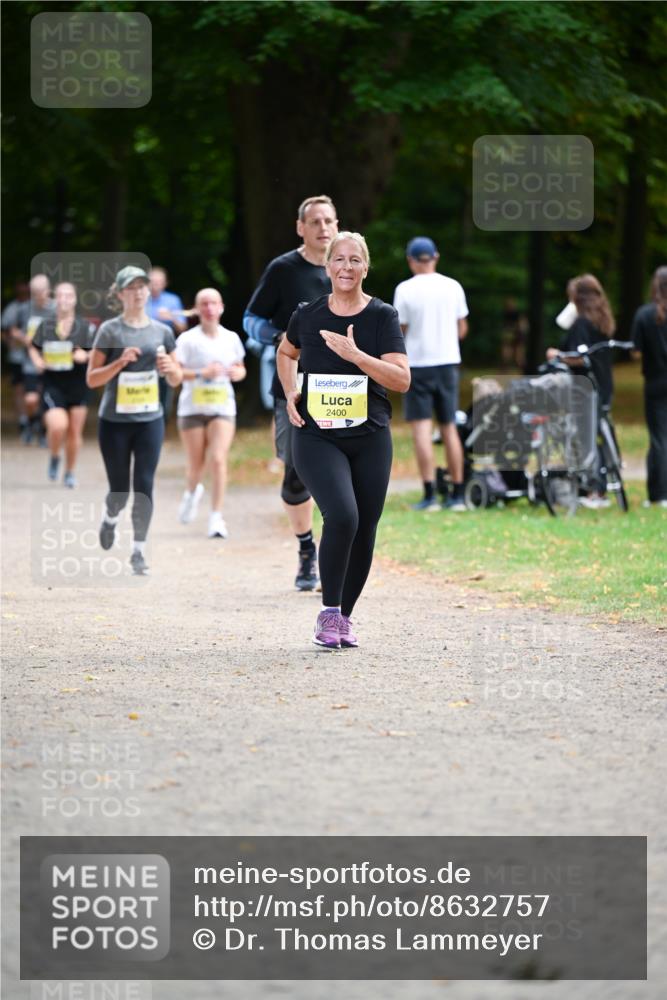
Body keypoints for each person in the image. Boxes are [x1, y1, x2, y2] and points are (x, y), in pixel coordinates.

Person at [277, 232, 410, 649]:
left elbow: (401, 379)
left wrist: (357, 357)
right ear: (327, 266)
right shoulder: (308, 314)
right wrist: (289, 391)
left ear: (365, 268)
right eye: (339, 259)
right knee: (343, 515)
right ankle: (328, 613)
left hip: (370, 435)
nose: (346, 268)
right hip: (317, 436)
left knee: (366, 525)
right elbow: (286, 352)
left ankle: (345, 618)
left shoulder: (382, 316)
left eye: (355, 261)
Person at [244, 194, 339, 591]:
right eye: (314, 221)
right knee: (297, 475)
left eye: (329, 221)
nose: (323, 228)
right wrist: (278, 335)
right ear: (301, 227)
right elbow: (251, 319)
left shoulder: (348, 266)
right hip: (294, 388)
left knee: (341, 474)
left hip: (341, 387)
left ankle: (337, 554)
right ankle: (306, 550)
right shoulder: (283, 269)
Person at [86, 266, 182, 575]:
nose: (139, 292)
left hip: (149, 419)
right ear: (120, 294)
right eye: (132, 287)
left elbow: (178, 377)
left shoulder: (162, 331)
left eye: (143, 286)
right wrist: (119, 362)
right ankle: (110, 518)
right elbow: (91, 379)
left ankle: (139, 551)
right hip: (114, 421)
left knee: (144, 484)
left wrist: (169, 367)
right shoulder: (109, 331)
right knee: (119, 489)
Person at [393, 236, 469, 512]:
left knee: (422, 430)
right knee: (449, 427)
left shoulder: (405, 289)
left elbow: (399, 330)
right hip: (448, 362)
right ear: (435, 257)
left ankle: (429, 494)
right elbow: (462, 328)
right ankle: (458, 494)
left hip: (417, 364)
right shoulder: (453, 286)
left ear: (411, 261)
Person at [175, 287, 246, 537]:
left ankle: (216, 518)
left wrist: (239, 373)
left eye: (213, 303)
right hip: (192, 408)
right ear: (197, 309)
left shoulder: (231, 338)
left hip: (222, 407)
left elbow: (240, 368)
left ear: (221, 307)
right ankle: (191, 492)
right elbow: (175, 374)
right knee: (196, 465)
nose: (209, 308)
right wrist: (201, 374)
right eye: (203, 304)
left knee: (217, 459)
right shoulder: (186, 340)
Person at [546, 273, 616, 509]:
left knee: (586, 437)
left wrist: (557, 356)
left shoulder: (582, 324)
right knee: (598, 434)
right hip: (604, 383)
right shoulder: (603, 320)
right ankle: (601, 485)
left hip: (584, 387)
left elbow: (579, 357)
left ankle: (595, 488)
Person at [27, 282, 94, 487]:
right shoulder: (45, 325)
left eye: (69, 295)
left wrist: (86, 355)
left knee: (74, 431)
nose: (64, 299)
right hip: (52, 382)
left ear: (75, 300)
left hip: (78, 383)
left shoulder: (84, 327)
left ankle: (70, 471)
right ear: (55, 299)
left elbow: (97, 352)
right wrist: (37, 360)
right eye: (61, 295)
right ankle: (55, 454)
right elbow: (32, 346)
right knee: (58, 426)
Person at [631, 266, 667, 508]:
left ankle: (659, 493)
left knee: (659, 439)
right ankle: (657, 493)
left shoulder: (644, 315)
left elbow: (634, 352)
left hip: (655, 382)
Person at [12, 274, 56, 444]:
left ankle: (44, 432)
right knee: (31, 399)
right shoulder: (24, 309)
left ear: (48, 290)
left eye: (41, 291)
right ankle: (32, 422)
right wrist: (24, 339)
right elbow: (13, 329)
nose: (38, 295)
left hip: (51, 361)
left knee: (47, 398)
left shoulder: (55, 308)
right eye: (35, 292)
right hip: (30, 361)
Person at [147, 267, 187, 426]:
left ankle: (160, 424)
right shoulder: (140, 300)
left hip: (166, 350)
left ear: (165, 283)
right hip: (144, 350)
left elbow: (182, 328)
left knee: (165, 388)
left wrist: (171, 316)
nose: (155, 285)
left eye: (159, 282)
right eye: (152, 282)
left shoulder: (173, 300)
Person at [1, 280, 30, 435]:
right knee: (19, 388)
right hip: (17, 357)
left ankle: (36, 418)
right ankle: (23, 420)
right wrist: (11, 343)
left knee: (35, 389)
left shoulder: (37, 307)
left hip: (34, 358)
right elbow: (5, 330)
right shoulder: (11, 309)